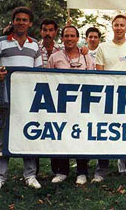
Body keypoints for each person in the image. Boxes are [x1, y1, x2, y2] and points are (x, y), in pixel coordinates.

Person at [0, 6, 43, 191]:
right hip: (5, 96)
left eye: (24, 20)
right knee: (4, 136)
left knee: (29, 135)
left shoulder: (35, 44)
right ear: (13, 21)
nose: (21, 22)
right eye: (18, 19)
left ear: (30, 23)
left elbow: (40, 72)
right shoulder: (0, 42)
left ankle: (30, 175)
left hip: (27, 98)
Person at [93, 14, 126, 183]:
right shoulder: (103, 47)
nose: (119, 28)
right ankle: (101, 171)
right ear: (112, 27)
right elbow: (99, 72)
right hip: (108, 96)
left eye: (122, 25)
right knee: (104, 133)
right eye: (116, 25)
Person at [48, 25, 95, 185]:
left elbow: (93, 78)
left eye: (72, 36)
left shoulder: (85, 57)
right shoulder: (54, 57)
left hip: (81, 104)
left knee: (80, 135)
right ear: (62, 38)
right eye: (66, 36)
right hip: (60, 104)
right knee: (60, 135)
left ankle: (82, 171)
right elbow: (48, 80)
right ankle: (61, 171)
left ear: (77, 38)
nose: (69, 39)